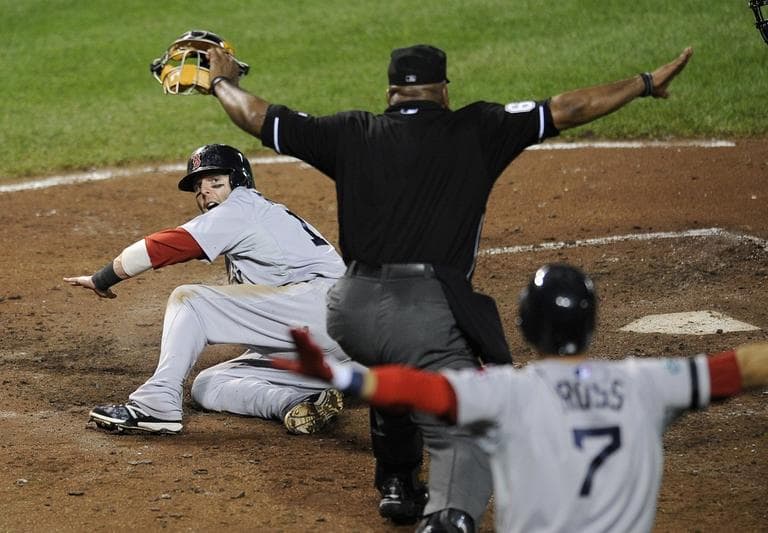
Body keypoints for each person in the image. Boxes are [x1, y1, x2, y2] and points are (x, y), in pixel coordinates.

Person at [203, 42, 694, 530]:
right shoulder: (480, 128)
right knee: (466, 419)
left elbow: (258, 117)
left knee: (391, 364)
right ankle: (450, 516)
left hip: (350, 310)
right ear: (443, 90)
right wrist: (644, 83)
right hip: (424, 311)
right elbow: (570, 107)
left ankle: (397, 483)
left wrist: (223, 81)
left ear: (392, 91)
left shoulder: (352, 132)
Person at [276, 263, 768, 533]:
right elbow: (743, 367)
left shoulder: (509, 393)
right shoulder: (648, 384)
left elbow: (419, 388)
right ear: (592, 324)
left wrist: (341, 377)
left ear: (527, 328)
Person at [63, 144, 351, 436]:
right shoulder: (256, 220)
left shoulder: (242, 207)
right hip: (334, 342)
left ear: (239, 183)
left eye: (216, 183)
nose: (206, 193)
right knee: (209, 384)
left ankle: (156, 405)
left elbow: (164, 247)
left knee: (191, 302)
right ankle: (300, 401)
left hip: (324, 310)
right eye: (199, 188)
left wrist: (102, 278)